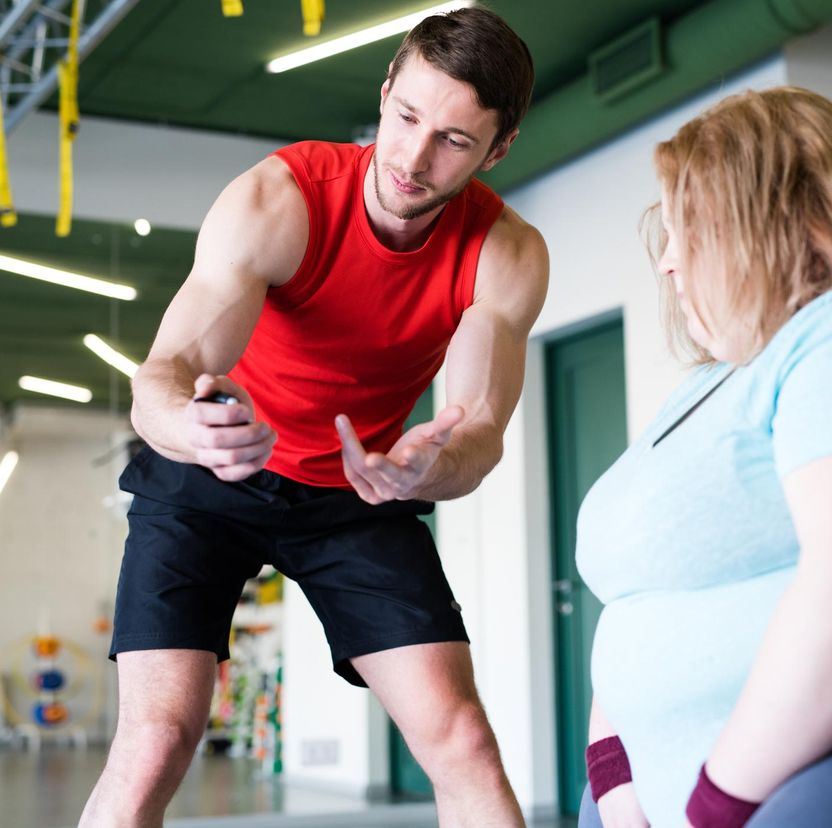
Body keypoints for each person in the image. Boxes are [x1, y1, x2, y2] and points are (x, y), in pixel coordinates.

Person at [79, 8, 549, 828]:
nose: (412, 157)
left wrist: (428, 466)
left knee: (462, 739)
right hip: (207, 477)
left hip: (356, 492)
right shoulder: (279, 199)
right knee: (158, 736)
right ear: (386, 91)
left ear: (498, 149)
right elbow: (162, 379)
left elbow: (477, 438)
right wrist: (197, 431)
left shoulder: (504, 253)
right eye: (406, 118)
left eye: (454, 141)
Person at [575, 86, 832, 827]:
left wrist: (712, 808)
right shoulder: (709, 386)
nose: (667, 265)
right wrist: (614, 779)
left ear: (767, 219)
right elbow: (636, 594)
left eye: (685, 231)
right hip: (676, 789)